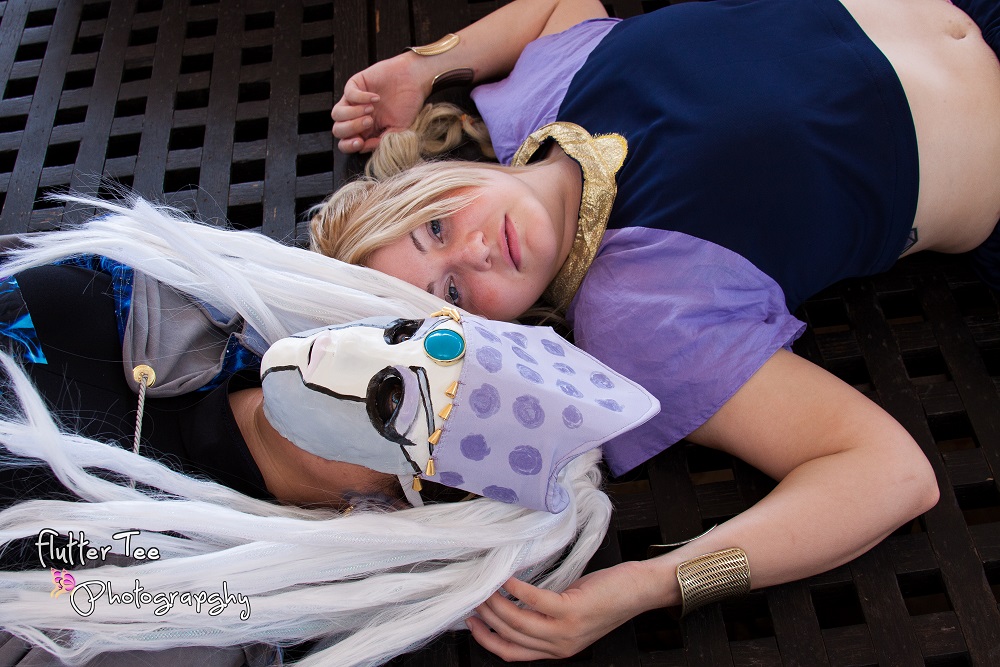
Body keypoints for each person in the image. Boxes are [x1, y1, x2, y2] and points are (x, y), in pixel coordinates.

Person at [325, 0, 1000, 660]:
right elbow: (891, 475)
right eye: (453, 294)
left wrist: (425, 67)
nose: (473, 253)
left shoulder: (538, 94)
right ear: (491, 332)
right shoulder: (641, 319)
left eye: (435, 225)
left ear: (432, 175)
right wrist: (651, 586)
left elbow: (559, 6)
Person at [0, 196, 659, 666]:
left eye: (392, 400)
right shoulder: (173, 287)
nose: (359, 353)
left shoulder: (177, 599)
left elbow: (54, 608)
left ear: (387, 509)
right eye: (406, 334)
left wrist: (662, 583)